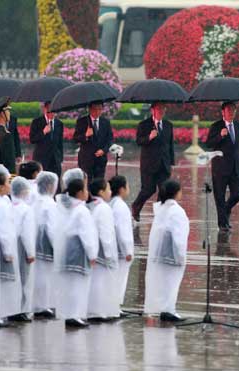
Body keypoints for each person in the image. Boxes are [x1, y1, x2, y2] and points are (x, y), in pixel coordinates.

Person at [54, 177, 98, 328]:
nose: (87, 193)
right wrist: (92, 255)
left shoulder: (68, 207)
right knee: (78, 285)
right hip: (78, 249)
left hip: (67, 249)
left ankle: (71, 314)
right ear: (80, 193)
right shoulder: (82, 210)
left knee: (70, 284)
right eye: (85, 190)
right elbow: (87, 235)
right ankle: (74, 315)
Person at [144, 179, 189, 322]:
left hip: (160, 253)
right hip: (172, 254)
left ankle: (165, 308)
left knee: (163, 282)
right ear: (176, 193)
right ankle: (169, 309)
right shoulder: (177, 211)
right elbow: (179, 236)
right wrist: (181, 255)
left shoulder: (162, 209)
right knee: (171, 282)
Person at [206, 102, 239, 231]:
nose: (231, 112)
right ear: (223, 112)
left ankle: (226, 210)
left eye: (233, 110)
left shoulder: (238, 126)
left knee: (238, 193)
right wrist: (220, 136)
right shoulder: (216, 126)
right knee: (219, 196)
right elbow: (208, 144)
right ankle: (222, 224)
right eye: (228, 110)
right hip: (220, 168)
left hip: (235, 167)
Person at [131, 102, 175, 222]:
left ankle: (159, 215)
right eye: (158, 109)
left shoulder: (168, 125)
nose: (161, 111)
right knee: (148, 189)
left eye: (163, 108)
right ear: (152, 110)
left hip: (164, 164)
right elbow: (139, 141)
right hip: (148, 164)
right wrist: (149, 137)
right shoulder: (144, 125)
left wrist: (171, 163)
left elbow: (170, 145)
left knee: (164, 190)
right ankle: (136, 206)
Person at [0, 164, 20, 325]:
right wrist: (8, 251)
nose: (10, 185)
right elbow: (4, 229)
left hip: (2, 245)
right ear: (0, 187)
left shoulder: (2, 201)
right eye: (7, 182)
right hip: (2, 246)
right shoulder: (0, 204)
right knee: (0, 283)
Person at [86, 178, 119, 320]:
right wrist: (109, 254)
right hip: (102, 252)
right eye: (108, 189)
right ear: (101, 192)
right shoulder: (104, 208)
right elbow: (106, 233)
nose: (110, 192)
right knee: (101, 282)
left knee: (95, 282)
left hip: (95, 250)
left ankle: (94, 309)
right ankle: (98, 311)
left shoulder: (93, 206)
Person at [32, 171, 59, 319]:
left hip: (34, 241)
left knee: (38, 274)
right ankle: (42, 305)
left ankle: (38, 303)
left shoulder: (35, 201)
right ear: (50, 186)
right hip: (45, 243)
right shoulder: (50, 204)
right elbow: (52, 228)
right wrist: (58, 247)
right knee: (46, 276)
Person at [10, 176, 36, 322]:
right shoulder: (26, 209)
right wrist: (31, 252)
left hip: (10, 244)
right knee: (24, 279)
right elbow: (27, 233)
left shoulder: (9, 205)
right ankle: (22, 310)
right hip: (21, 246)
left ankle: (11, 308)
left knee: (13, 278)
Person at [108, 175, 134, 314]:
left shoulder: (111, 203)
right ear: (122, 189)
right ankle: (115, 306)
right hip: (120, 250)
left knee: (113, 279)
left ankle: (112, 305)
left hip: (113, 248)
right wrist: (128, 251)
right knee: (119, 279)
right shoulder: (121, 206)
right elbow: (123, 230)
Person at [73, 102, 113, 182]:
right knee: (86, 183)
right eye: (95, 109)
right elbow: (75, 139)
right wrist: (86, 135)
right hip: (86, 160)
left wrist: (104, 150)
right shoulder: (82, 121)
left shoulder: (105, 122)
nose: (97, 112)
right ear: (90, 109)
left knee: (99, 184)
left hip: (100, 160)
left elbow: (109, 140)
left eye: (100, 109)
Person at [30, 102, 63, 177]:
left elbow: (60, 143)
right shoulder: (36, 122)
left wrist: (60, 159)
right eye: (49, 111)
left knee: (56, 184)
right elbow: (32, 139)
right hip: (41, 159)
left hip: (55, 160)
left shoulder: (59, 124)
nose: (51, 114)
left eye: (53, 111)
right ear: (45, 109)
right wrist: (43, 132)